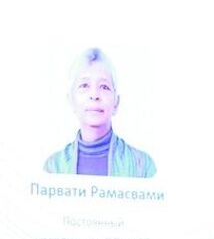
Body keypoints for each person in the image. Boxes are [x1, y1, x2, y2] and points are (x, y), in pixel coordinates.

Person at [42, 47, 156, 177]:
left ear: (116, 103)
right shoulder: (53, 168)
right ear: (71, 100)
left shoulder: (142, 166)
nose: (94, 95)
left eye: (104, 87)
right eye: (84, 85)